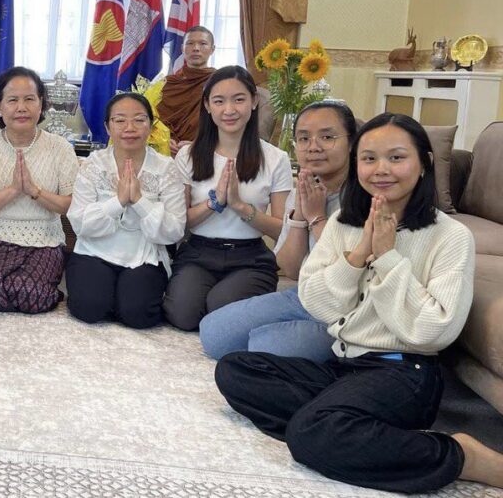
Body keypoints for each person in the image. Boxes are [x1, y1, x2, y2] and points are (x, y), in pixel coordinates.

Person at [214, 113, 503, 494]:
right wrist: (358, 254)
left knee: (310, 436)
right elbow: (317, 303)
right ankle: (352, 424)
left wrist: (387, 259)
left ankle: (461, 454)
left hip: (406, 372)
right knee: (236, 370)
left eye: (396, 158)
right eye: (368, 159)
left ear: (424, 166)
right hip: (346, 364)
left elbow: (432, 331)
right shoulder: (344, 224)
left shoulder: (450, 237)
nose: (381, 169)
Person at [199, 100, 356, 362]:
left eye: (327, 137)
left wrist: (317, 218)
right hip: (305, 296)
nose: (313, 147)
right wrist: (299, 216)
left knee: (265, 348)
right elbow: (291, 269)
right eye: (303, 138)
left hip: (349, 311)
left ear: (352, 143)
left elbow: (349, 275)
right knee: (213, 333)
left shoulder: (364, 196)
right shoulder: (305, 189)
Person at [162, 65, 291, 331]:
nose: (229, 110)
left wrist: (240, 206)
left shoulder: (277, 159)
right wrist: (214, 204)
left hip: (250, 257)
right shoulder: (188, 156)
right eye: (219, 101)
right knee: (184, 316)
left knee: (221, 309)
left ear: (254, 102)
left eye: (239, 99)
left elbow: (283, 230)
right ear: (207, 106)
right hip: (199, 252)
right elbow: (178, 223)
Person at [0, 67, 79, 314]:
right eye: (12, 100)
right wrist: (12, 190)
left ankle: (38, 286)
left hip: (44, 240)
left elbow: (71, 204)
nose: (22, 107)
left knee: (31, 294)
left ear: (41, 104)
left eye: (29, 99)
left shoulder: (60, 147)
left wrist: (34, 191)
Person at [66, 92, 186, 329]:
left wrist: (139, 200)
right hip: (94, 250)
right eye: (120, 120)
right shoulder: (93, 164)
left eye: (139, 120)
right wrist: (118, 202)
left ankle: (121, 297)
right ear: (107, 127)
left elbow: (175, 230)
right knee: (89, 308)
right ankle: (111, 295)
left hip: (144, 255)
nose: (129, 127)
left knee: (138, 315)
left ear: (151, 127)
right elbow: (78, 223)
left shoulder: (166, 168)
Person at [156, 26, 216, 154]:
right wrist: (163, 139)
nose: (196, 48)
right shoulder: (168, 84)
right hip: (165, 150)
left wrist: (200, 144)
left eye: (203, 44)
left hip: (205, 151)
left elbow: (226, 122)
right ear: (182, 48)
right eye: (190, 43)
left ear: (212, 49)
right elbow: (152, 119)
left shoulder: (220, 83)